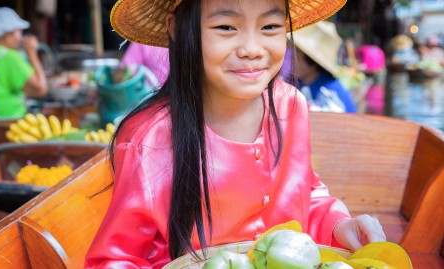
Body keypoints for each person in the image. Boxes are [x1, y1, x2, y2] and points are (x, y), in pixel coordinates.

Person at [85, 0, 386, 267]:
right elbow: (114, 259)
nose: (252, 50)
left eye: (270, 26)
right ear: (178, 29)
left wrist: (340, 225)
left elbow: (306, 191)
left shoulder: (290, 105)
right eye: (226, 27)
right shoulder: (149, 138)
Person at [291, 21, 357, 113]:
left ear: (312, 61)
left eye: (297, 56)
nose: (291, 59)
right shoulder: (296, 83)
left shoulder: (330, 93)